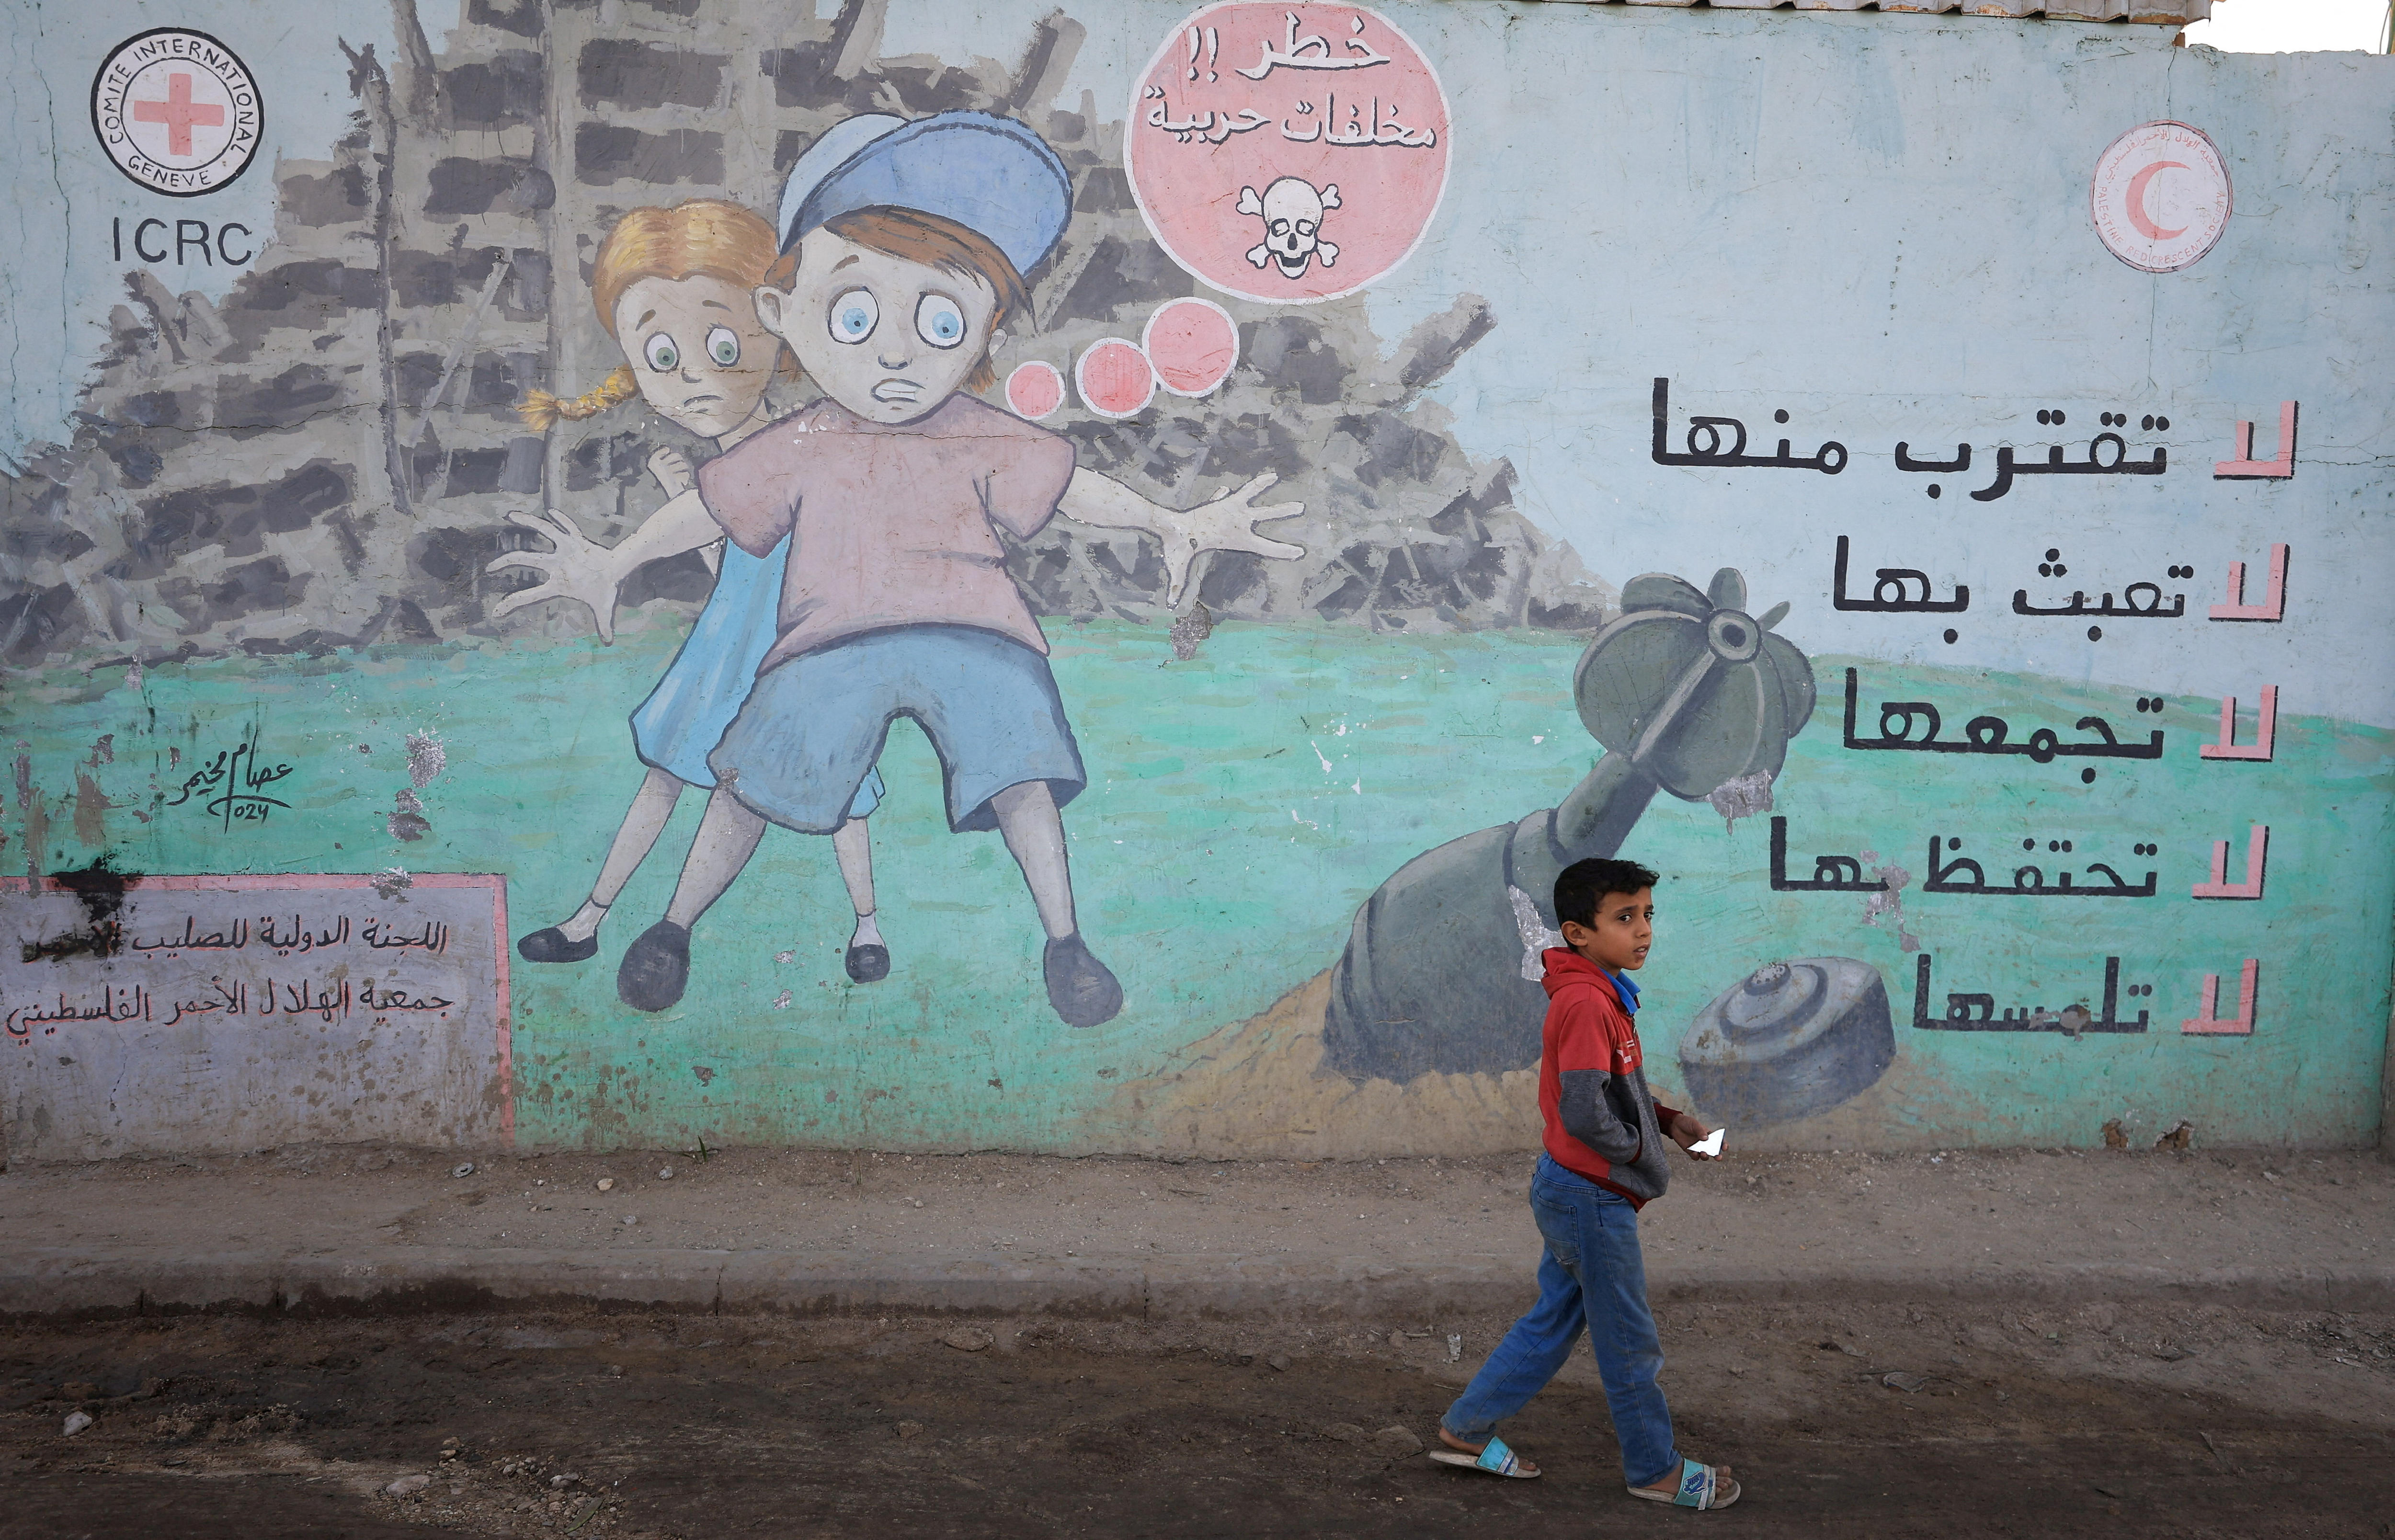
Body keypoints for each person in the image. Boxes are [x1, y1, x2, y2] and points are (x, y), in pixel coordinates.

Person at [488, 111, 1307, 1025]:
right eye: (854, 313)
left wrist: (1171, 521)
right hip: (831, 643)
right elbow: (709, 506)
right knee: (749, 777)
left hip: (974, 628)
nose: (894, 350)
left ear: (985, 332)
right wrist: (617, 559)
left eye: (942, 318)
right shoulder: (803, 439)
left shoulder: (981, 432)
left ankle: (1066, 944)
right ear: (782, 314)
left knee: (1022, 771)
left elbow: (1074, 486)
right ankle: (672, 928)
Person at [502, 199, 893, 983]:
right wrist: (698, 522)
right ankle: (590, 919)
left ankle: (868, 927)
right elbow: (739, 567)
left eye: (723, 345)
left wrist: (661, 534)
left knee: (844, 789)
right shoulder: (722, 474)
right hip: (724, 649)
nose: (699, 377)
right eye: (663, 356)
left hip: (795, 654)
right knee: (668, 776)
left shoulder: (802, 448)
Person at [1427, 857, 1740, 1511]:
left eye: (1647, 915)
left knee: (1554, 1320)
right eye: (1624, 918)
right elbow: (1582, 1110)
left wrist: (1669, 1121)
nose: (1644, 931)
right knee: (1629, 1341)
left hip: (1578, 1190)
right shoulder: (1584, 1002)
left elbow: (1611, 1088)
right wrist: (1636, 1148)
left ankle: (1464, 1432)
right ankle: (1654, 1469)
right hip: (1591, 1197)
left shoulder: (1603, 992)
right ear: (1577, 932)